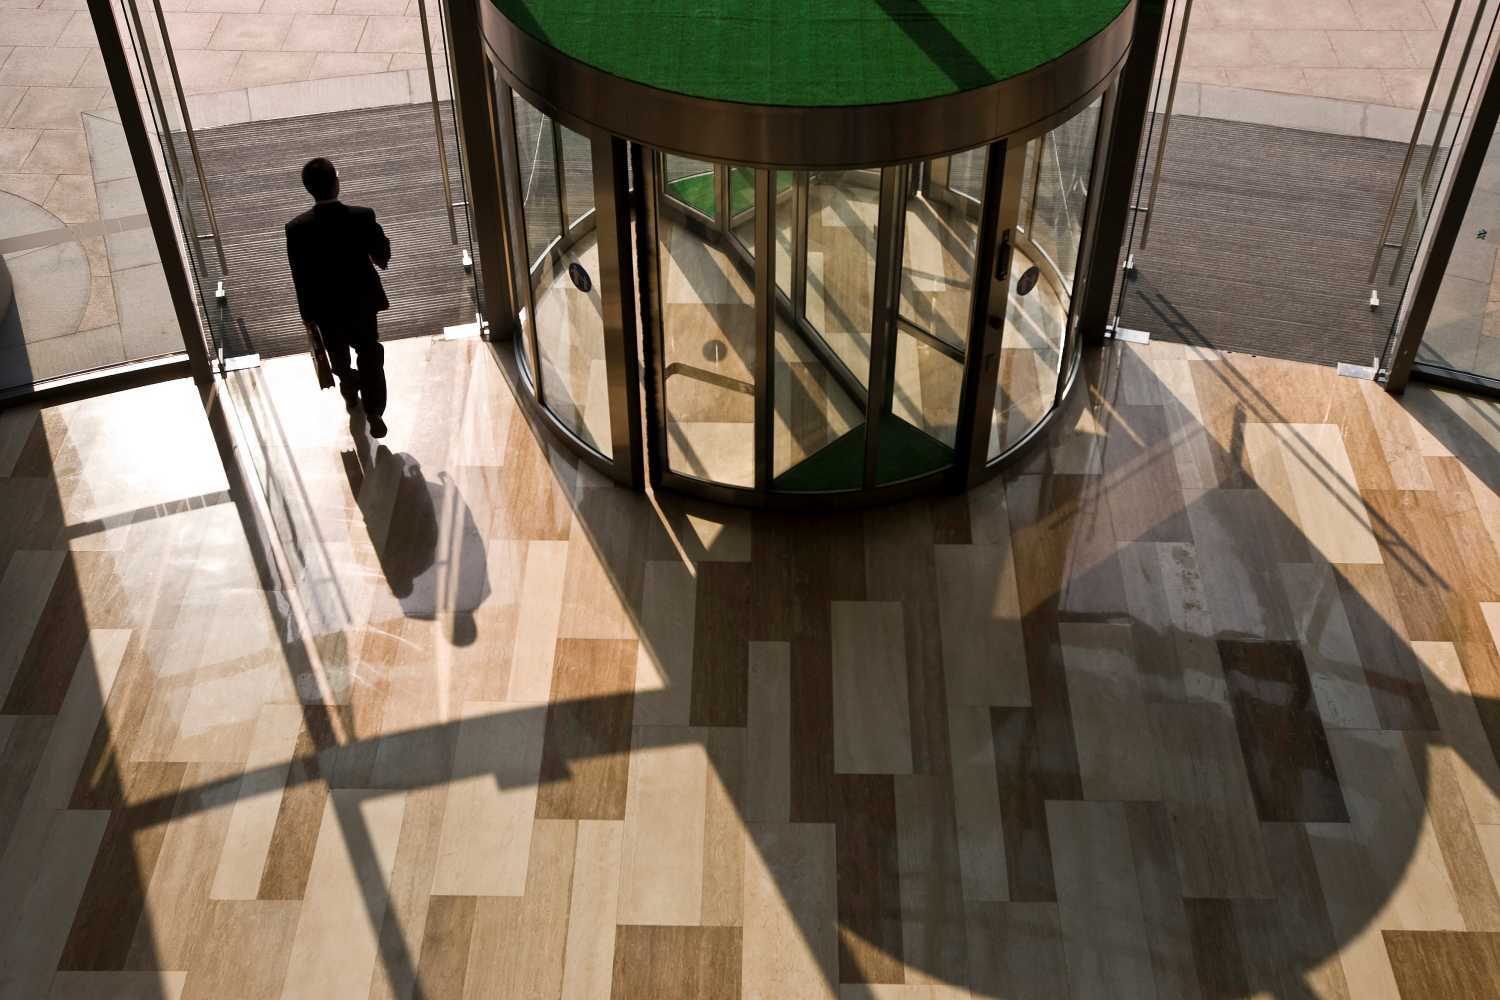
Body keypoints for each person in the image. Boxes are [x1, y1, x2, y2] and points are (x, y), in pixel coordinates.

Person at [286, 157, 393, 437]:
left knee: (339, 356)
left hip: (324, 308)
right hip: (361, 302)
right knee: (369, 351)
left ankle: (349, 390)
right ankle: (374, 412)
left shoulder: (296, 229)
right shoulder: (362, 216)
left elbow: (299, 276)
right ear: (336, 183)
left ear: (309, 188)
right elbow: (382, 257)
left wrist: (307, 316)